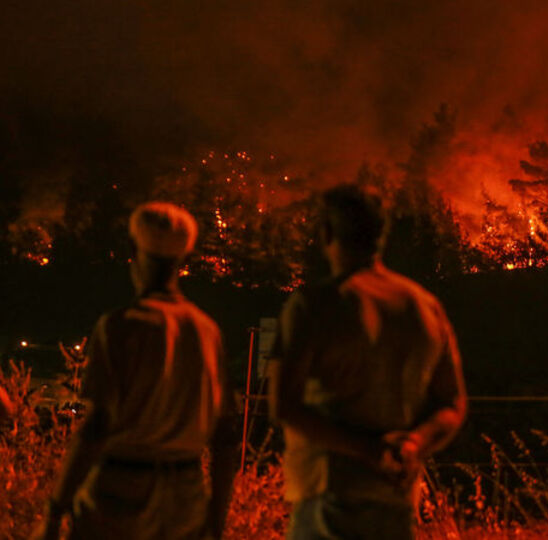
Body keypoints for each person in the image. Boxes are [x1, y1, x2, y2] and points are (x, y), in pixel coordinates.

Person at [268, 184, 468, 540]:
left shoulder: (315, 305)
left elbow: (284, 405)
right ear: (381, 235)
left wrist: (369, 450)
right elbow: (453, 403)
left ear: (326, 232)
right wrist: (412, 445)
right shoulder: (424, 307)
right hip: (398, 496)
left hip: (330, 496)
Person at [32, 202, 239, 540]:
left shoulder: (120, 327)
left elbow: (97, 426)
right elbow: (225, 436)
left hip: (118, 495)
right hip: (184, 499)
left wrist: (55, 511)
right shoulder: (206, 331)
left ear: (133, 251)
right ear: (184, 261)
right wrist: (216, 520)